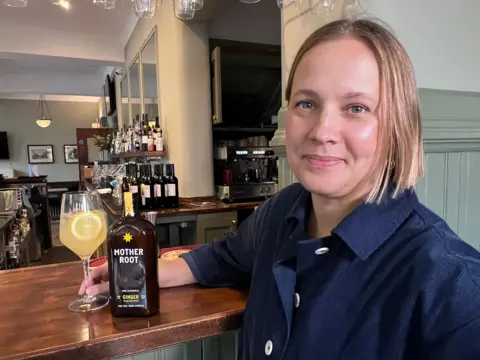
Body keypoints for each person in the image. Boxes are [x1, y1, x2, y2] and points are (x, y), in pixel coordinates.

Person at [80, 18, 480, 359]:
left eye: (357, 108)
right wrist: (136, 271)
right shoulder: (283, 211)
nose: (322, 131)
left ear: (397, 125)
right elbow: (221, 258)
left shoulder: (453, 287)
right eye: (306, 103)